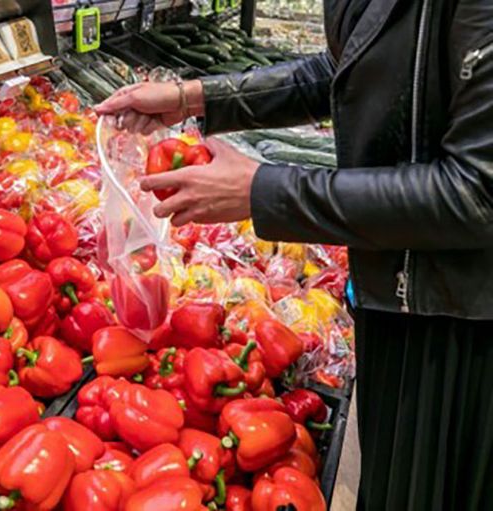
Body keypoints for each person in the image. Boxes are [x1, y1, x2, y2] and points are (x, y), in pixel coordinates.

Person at [96, 1, 493, 510]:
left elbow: (478, 192)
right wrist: (192, 98)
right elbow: (348, 65)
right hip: (396, 283)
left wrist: (264, 190)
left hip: (458, 322)